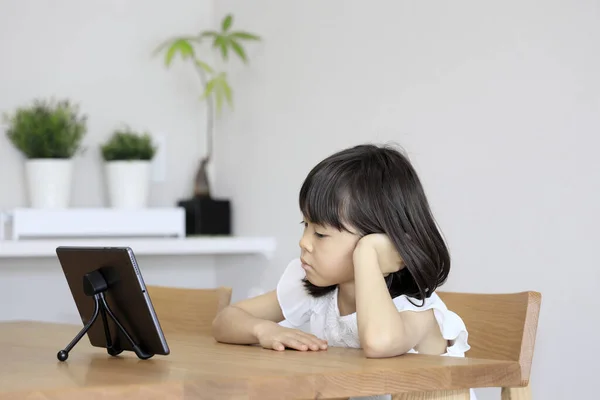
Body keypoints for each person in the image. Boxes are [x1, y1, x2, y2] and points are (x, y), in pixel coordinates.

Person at [212, 143, 473, 400]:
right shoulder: (315, 290)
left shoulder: (418, 312)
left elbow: (379, 343)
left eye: (321, 233)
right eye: (306, 225)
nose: (304, 241)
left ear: (387, 244)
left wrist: (367, 255)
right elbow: (226, 320)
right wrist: (264, 330)